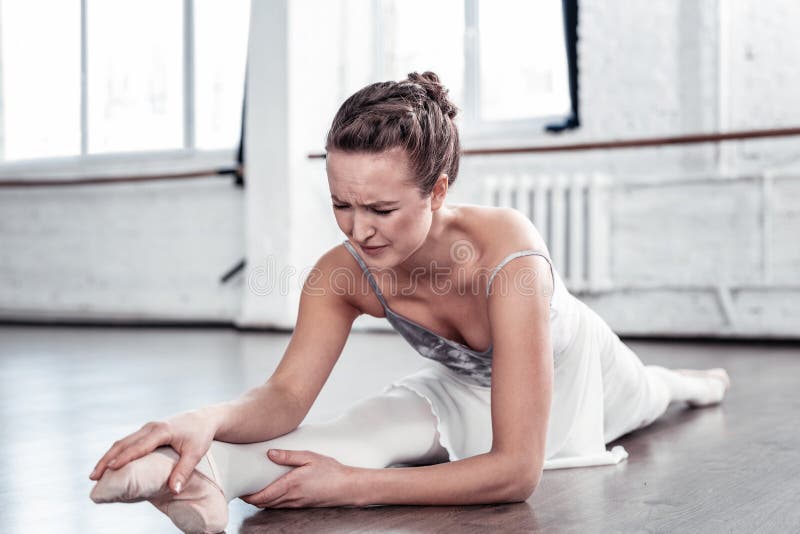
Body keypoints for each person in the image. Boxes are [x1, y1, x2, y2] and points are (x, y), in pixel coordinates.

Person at [88, 72, 730, 534]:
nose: (357, 229)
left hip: (578, 373)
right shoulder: (341, 275)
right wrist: (207, 419)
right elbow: (284, 399)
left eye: (381, 208)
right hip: (461, 382)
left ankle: (691, 383)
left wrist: (358, 490)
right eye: (341, 203)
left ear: (438, 191)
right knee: (369, 427)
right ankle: (203, 477)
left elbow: (515, 474)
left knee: (653, 395)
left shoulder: (509, 257)